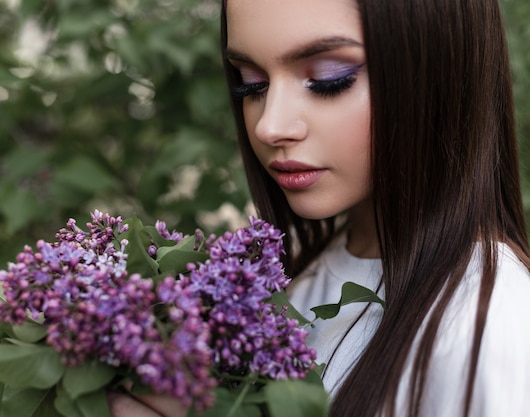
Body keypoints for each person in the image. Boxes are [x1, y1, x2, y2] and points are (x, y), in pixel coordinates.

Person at [109, 0, 530, 416]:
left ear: (440, 69)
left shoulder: (489, 326)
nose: (268, 125)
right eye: (251, 83)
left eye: (329, 80)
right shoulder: (290, 276)